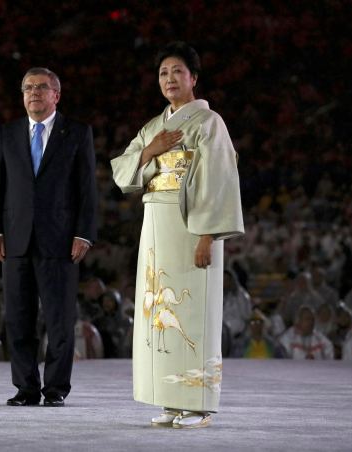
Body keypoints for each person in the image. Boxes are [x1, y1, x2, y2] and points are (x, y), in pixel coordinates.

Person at [111, 41, 244, 428]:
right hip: (156, 221)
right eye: (163, 73)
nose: (169, 79)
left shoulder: (208, 123)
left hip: (191, 225)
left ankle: (198, 403)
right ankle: (172, 399)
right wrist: (149, 151)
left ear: (193, 78)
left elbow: (217, 181)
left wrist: (208, 236)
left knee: (192, 312)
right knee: (158, 309)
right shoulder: (154, 126)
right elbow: (123, 173)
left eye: (177, 72)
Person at [0, 67, 97, 407]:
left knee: (60, 322)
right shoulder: (7, 134)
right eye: (28, 88)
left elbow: (87, 189)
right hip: (16, 241)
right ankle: (26, 388)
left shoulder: (77, 132)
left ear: (56, 95)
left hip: (61, 241)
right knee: (18, 320)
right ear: (22, 95)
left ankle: (55, 389)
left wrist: (83, 234)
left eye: (42, 87)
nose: (34, 92)